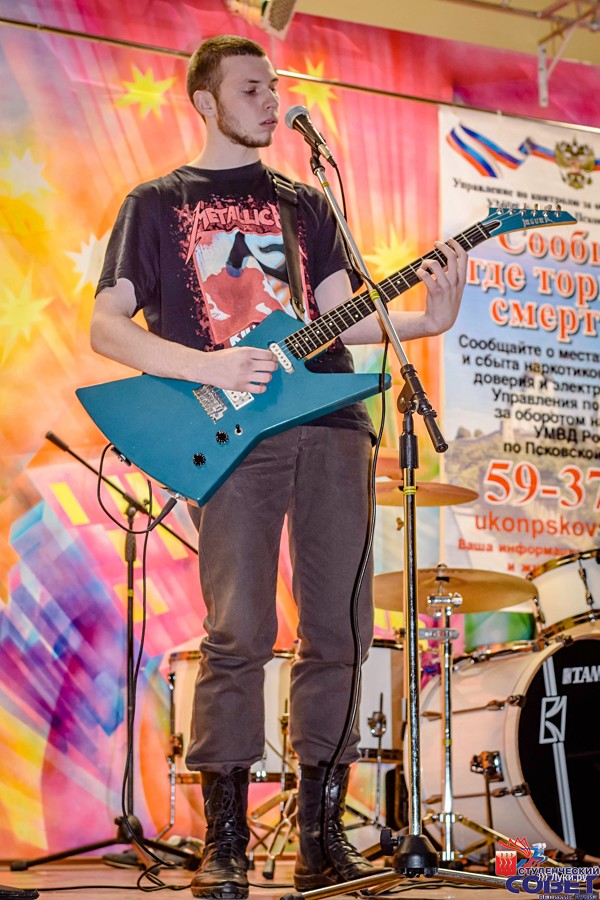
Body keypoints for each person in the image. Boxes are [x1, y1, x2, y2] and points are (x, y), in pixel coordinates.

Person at [90, 34, 468, 899]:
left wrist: (423, 323)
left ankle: (320, 838)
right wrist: (210, 365)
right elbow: (106, 328)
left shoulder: (306, 203)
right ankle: (224, 840)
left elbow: (339, 317)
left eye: (272, 86)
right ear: (205, 101)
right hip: (233, 435)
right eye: (251, 89)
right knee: (239, 633)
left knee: (340, 632)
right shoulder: (156, 203)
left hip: (333, 425)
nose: (270, 100)